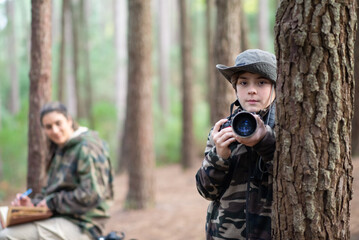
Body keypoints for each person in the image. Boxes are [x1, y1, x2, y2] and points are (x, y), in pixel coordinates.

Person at [0, 102, 114, 240]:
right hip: (58, 217)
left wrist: (51, 203)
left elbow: (91, 194)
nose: (54, 130)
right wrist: (32, 205)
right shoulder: (61, 148)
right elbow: (53, 191)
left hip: (83, 224)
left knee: (7, 236)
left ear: (69, 120)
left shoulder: (87, 147)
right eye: (48, 127)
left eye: (58, 123)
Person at [196, 49, 277, 240]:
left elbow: (296, 178)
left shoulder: (289, 131)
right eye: (243, 82)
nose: (251, 90)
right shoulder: (224, 130)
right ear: (235, 88)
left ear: (275, 86)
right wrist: (219, 155)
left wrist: (264, 141)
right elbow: (206, 191)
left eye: (262, 82)